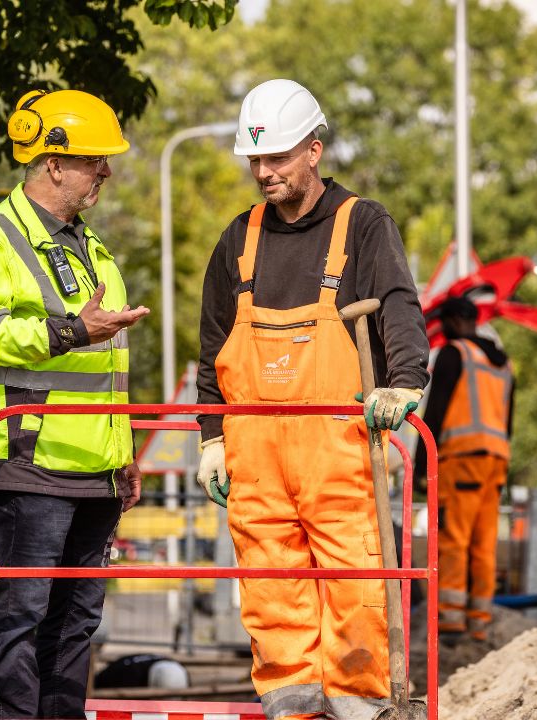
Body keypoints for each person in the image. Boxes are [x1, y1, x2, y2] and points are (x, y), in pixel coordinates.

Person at [195, 79, 429, 720]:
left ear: (313, 151)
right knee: (271, 593)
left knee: (356, 586)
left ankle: (359, 707)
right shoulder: (237, 239)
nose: (263, 172)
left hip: (340, 453)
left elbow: (400, 309)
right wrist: (211, 437)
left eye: (276, 159)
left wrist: (405, 382)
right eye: (255, 160)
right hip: (255, 459)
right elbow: (214, 344)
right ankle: (291, 710)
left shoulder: (363, 225)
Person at [0, 88, 150, 719]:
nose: (106, 172)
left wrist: (124, 460)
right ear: (54, 162)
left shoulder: (90, 248)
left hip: (96, 470)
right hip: (32, 463)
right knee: (23, 614)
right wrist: (73, 330)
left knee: (78, 622)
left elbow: (108, 370)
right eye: (96, 159)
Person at [415, 296, 513, 643]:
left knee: (454, 537)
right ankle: (479, 620)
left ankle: (451, 620)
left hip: (462, 459)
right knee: (484, 541)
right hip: (496, 459)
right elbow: (508, 419)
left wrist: (420, 466)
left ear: (456, 321)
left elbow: (436, 413)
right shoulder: (502, 364)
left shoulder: (455, 354)